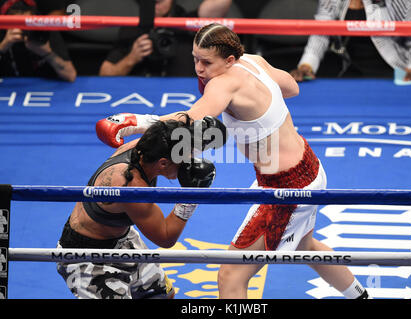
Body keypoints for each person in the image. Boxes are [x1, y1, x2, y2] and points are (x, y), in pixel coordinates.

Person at [95, 23, 370, 299]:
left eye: (206, 62)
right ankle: (361, 295)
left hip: (288, 189)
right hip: (308, 167)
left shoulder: (223, 83)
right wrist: (260, 102)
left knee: (231, 275)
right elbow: (292, 87)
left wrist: (134, 122)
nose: (199, 68)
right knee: (305, 245)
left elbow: (188, 122)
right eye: (195, 59)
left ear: (229, 60)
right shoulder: (253, 61)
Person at [56, 114, 224, 299]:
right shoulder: (132, 187)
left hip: (122, 239)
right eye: (183, 159)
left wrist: (196, 134)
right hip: (89, 258)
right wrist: (191, 196)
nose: (187, 164)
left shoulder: (146, 147)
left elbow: (168, 130)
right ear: (163, 163)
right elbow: (166, 237)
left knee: (162, 296)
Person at [289, 0, 411, 82]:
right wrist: (306, 65)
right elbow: (320, 32)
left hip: (395, 70)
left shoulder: (398, 1)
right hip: (354, 70)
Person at [99, 0, 232, 77]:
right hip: (142, 93)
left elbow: (220, 4)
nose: (156, 4)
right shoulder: (132, 29)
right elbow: (104, 74)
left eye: (160, 1)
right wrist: (132, 58)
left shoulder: (188, 23)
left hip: (184, 93)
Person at [0, 0, 77, 82]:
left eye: (26, 23)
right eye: (17, 23)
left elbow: (70, 75)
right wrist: (3, 45)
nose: (23, 29)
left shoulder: (44, 32)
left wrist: (47, 53)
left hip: (43, 87)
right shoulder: (2, 34)